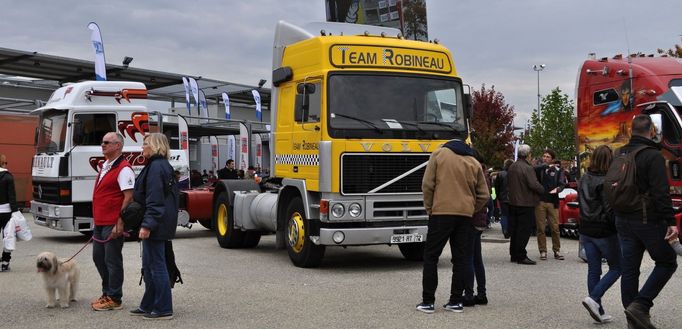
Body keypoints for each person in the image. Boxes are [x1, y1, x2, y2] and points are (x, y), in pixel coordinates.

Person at [613, 115, 678, 329]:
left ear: (632, 130)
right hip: (647, 219)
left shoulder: (620, 153)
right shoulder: (653, 156)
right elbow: (661, 193)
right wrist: (670, 221)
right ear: (651, 130)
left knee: (630, 269)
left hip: (623, 218)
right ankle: (640, 306)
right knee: (667, 261)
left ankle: (633, 320)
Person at [416, 137, 489, 314]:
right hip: (464, 215)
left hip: (441, 212)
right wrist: (471, 208)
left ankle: (428, 301)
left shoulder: (438, 155)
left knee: (431, 256)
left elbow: (427, 184)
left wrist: (430, 207)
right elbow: (484, 194)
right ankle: (456, 300)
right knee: (461, 259)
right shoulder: (473, 161)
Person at [130, 133, 179, 320]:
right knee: (150, 265)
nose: (142, 147)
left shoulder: (156, 168)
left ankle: (164, 308)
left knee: (156, 266)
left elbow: (156, 200)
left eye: (145, 144)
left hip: (156, 225)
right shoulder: (159, 166)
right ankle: (148, 304)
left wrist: (147, 225)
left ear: (155, 145)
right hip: (160, 223)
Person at [90, 132, 134, 311]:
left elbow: (128, 197)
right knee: (98, 257)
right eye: (102, 142)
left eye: (107, 142)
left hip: (112, 222)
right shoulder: (105, 165)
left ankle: (114, 298)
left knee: (112, 260)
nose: (103, 145)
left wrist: (120, 222)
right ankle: (107, 292)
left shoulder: (124, 168)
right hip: (100, 221)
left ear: (118, 145)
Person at [578, 145, 621, 324]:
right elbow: (609, 209)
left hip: (585, 229)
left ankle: (598, 309)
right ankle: (594, 298)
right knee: (618, 266)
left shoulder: (584, 178)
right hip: (603, 230)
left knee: (593, 270)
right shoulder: (605, 182)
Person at [507, 144, 545, 265]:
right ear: (528, 155)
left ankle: (513, 254)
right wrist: (542, 189)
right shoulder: (527, 168)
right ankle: (521, 255)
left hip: (513, 202)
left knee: (515, 230)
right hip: (525, 202)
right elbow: (533, 184)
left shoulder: (512, 166)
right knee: (523, 231)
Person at [463, 151, 490, 307]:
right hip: (480, 220)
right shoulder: (484, 172)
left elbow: (482, 197)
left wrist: (471, 209)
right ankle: (481, 293)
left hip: (473, 219)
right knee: (477, 258)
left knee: (468, 259)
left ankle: (469, 294)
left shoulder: (477, 173)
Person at [534, 149, 566, 260]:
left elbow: (562, 184)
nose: (545, 158)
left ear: (552, 159)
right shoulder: (539, 169)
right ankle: (543, 251)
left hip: (553, 202)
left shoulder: (558, 170)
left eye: (548, 156)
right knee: (541, 228)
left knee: (555, 227)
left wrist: (557, 190)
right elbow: (533, 175)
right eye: (544, 156)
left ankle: (556, 250)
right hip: (540, 201)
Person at [0, 154, 17, 272]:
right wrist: (15, 212)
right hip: (6, 212)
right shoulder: (8, 177)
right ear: (3, 163)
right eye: (5, 163)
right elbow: (12, 197)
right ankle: (5, 263)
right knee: (8, 237)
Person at [495, 159, 513, 238]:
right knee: (511, 215)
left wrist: (498, 196)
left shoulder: (500, 174)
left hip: (503, 197)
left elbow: (497, 187)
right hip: (513, 198)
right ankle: (510, 230)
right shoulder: (515, 174)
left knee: (504, 215)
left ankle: (505, 230)